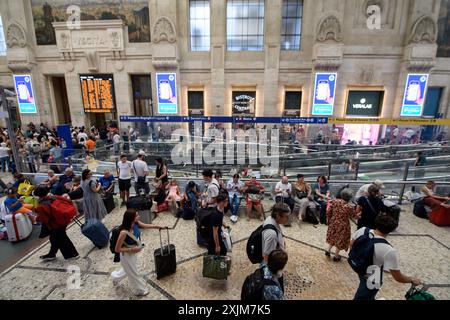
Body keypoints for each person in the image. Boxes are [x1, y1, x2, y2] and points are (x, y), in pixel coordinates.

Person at [351, 214, 422, 300]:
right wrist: (411, 279)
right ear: (391, 230)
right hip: (373, 276)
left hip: (359, 266)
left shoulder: (363, 230)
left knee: (365, 293)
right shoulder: (388, 250)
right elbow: (398, 277)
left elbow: (351, 245)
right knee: (364, 296)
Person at [111, 209, 167, 296]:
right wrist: (131, 250)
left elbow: (147, 226)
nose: (139, 216)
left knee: (128, 270)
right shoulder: (123, 233)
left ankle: (115, 277)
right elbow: (117, 249)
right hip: (126, 255)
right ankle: (140, 290)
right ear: (131, 218)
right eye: (137, 216)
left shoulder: (136, 224)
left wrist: (159, 226)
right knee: (133, 273)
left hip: (133, 252)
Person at [34, 186, 79, 261]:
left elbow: (45, 220)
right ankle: (52, 254)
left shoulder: (42, 205)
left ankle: (72, 255)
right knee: (54, 238)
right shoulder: (54, 197)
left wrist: (37, 218)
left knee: (62, 239)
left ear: (38, 196)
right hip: (63, 220)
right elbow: (68, 201)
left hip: (55, 224)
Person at [325, 188, 359, 261]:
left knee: (333, 236)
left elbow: (328, 211)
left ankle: (327, 250)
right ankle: (336, 256)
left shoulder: (334, 202)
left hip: (333, 222)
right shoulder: (349, 207)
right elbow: (355, 216)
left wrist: (328, 220)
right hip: (343, 225)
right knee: (340, 240)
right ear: (350, 197)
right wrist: (360, 214)